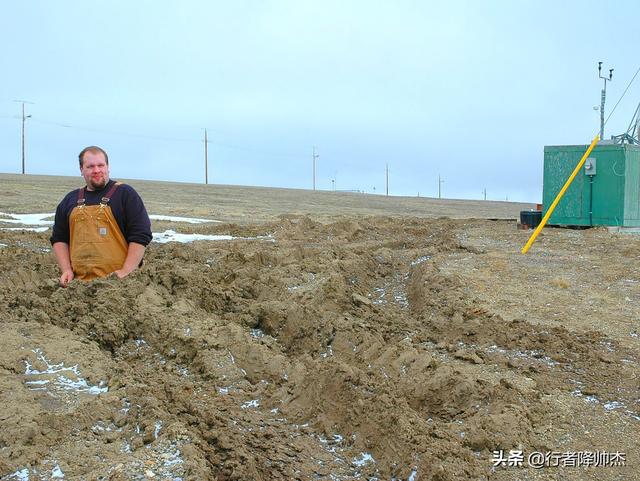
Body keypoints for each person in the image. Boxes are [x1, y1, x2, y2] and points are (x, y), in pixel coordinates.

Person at [50, 146, 152, 286]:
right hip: (78, 286)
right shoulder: (70, 200)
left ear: (108, 167)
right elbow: (59, 238)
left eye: (100, 165)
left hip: (119, 286)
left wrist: (126, 271)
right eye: (90, 166)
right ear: (81, 170)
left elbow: (141, 235)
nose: (96, 170)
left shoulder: (125, 194)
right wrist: (67, 269)